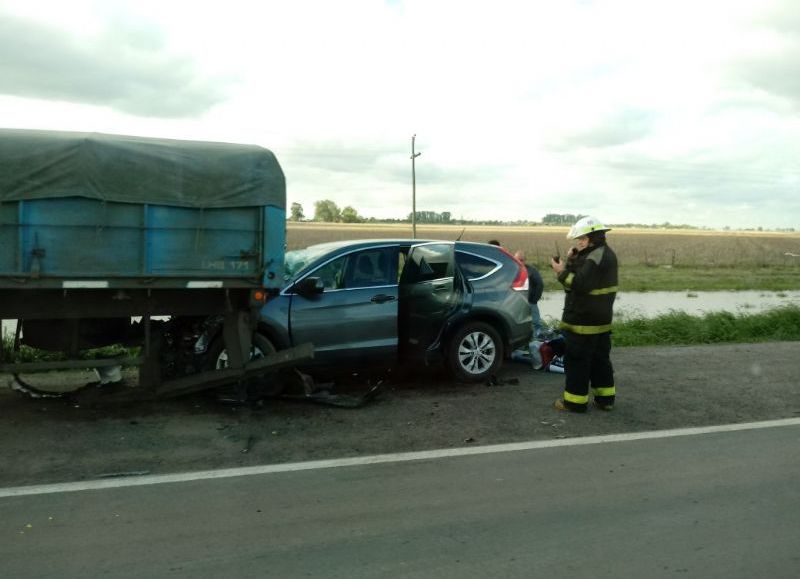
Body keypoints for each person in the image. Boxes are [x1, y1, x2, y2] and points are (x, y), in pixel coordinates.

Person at [550, 216, 618, 412]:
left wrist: (561, 271)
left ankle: (574, 403)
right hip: (600, 322)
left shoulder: (595, 257)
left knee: (577, 362)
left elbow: (578, 284)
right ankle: (605, 400)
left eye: (582, 239)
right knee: (600, 361)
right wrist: (573, 260)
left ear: (593, 238)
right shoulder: (601, 254)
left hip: (583, 322)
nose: (578, 242)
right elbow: (584, 279)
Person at [513, 250, 544, 337]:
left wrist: (534, 300)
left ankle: (537, 340)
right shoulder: (511, 270)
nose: (519, 261)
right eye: (517, 259)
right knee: (517, 323)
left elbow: (540, 285)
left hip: (530, 302)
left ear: (525, 260)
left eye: (521, 260)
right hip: (515, 303)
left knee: (535, 322)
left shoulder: (532, 270)